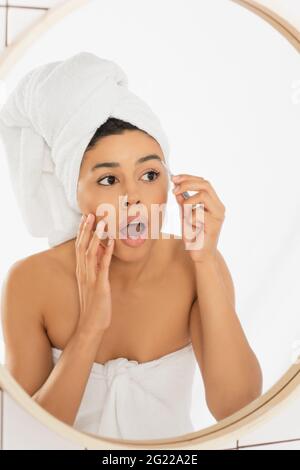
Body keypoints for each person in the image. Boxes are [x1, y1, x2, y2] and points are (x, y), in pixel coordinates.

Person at [0, 53, 262, 440]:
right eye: (108, 181)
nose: (134, 198)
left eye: (150, 174)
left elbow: (237, 407)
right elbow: (27, 438)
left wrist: (205, 262)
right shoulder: (32, 281)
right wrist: (90, 327)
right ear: (74, 191)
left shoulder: (194, 266)